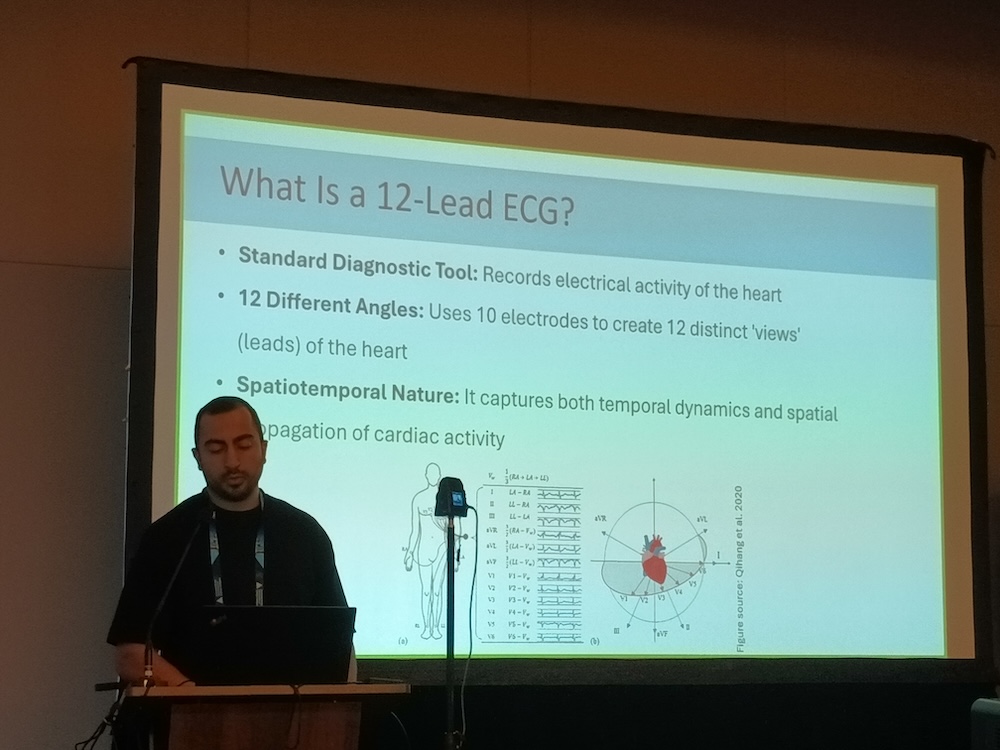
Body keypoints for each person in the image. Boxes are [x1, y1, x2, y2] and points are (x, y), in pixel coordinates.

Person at [107, 396, 348, 685]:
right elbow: (130, 654)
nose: (232, 462)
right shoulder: (167, 537)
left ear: (264, 449)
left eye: (243, 445)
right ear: (198, 458)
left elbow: (339, 643)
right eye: (216, 449)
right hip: (192, 710)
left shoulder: (305, 534)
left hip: (290, 710)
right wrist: (191, 696)